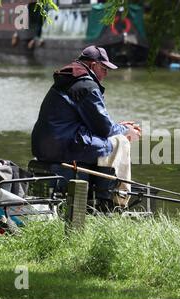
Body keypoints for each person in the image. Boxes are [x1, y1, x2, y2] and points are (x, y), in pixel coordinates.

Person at [31, 45, 141, 208]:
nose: (106, 73)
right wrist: (126, 131)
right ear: (92, 65)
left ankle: (107, 198)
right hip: (66, 147)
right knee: (121, 143)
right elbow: (103, 128)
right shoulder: (86, 86)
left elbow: (94, 122)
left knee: (114, 138)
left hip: (45, 147)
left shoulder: (68, 79)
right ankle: (112, 202)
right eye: (104, 68)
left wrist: (118, 126)